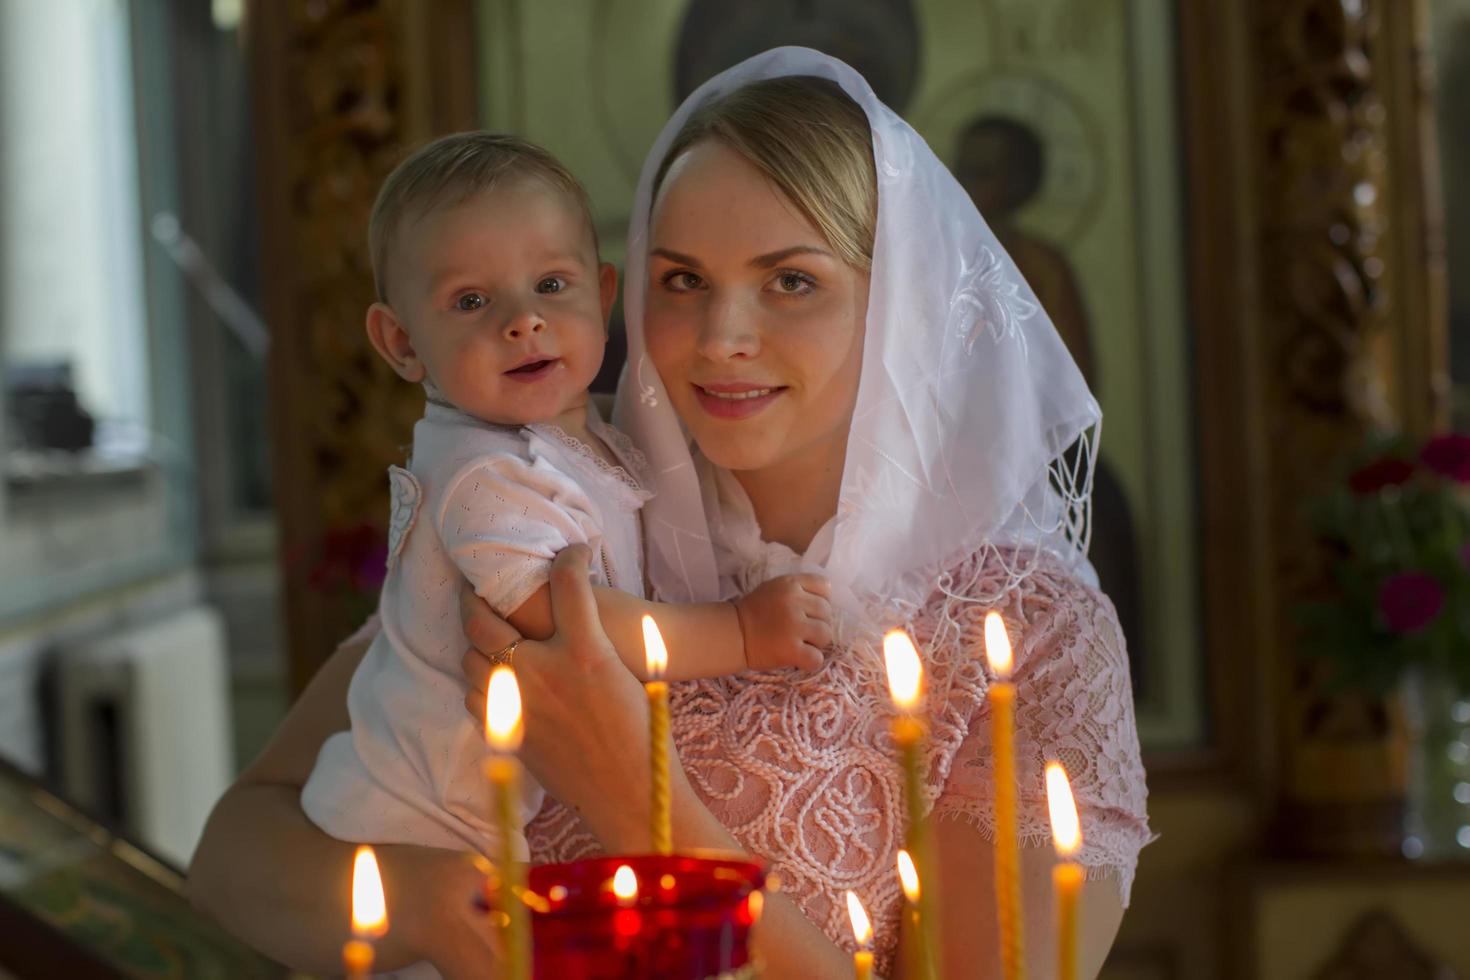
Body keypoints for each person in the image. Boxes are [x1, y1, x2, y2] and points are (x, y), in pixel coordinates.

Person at [189, 48, 1151, 979]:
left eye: (791, 281)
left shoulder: (1023, 632)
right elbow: (238, 848)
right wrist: (430, 903)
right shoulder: (565, 500)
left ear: (902, 305)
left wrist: (636, 799)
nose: (723, 338)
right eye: (683, 280)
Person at [297, 131, 830, 865]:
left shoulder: (576, 426)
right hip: (419, 826)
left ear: (602, 294)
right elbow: (571, 623)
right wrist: (741, 632)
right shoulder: (484, 476)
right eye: (471, 300)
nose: (523, 321)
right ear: (401, 342)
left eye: (551, 285)